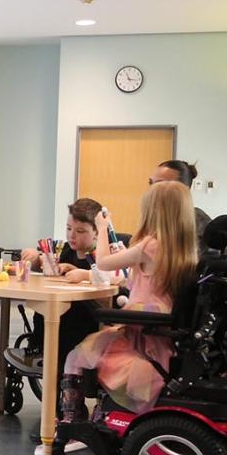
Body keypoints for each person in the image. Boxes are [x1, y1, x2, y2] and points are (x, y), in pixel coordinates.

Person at [59, 181, 198, 422]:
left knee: (74, 357)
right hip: (161, 333)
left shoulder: (150, 246)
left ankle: (73, 422)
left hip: (141, 337)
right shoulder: (185, 250)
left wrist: (103, 227)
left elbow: (102, 262)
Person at [19, 198, 109, 372]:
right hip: (58, 316)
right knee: (44, 308)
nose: (72, 235)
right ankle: (41, 347)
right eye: (68, 229)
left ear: (97, 233)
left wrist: (77, 271)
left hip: (85, 320)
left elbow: (105, 281)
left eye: (80, 231)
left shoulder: (101, 257)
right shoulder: (67, 250)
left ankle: (59, 370)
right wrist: (36, 257)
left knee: (67, 316)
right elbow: (49, 262)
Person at [149, 159, 211, 253]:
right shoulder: (157, 218)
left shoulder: (197, 222)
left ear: (183, 190)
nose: (152, 190)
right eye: (151, 184)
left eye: (160, 185)